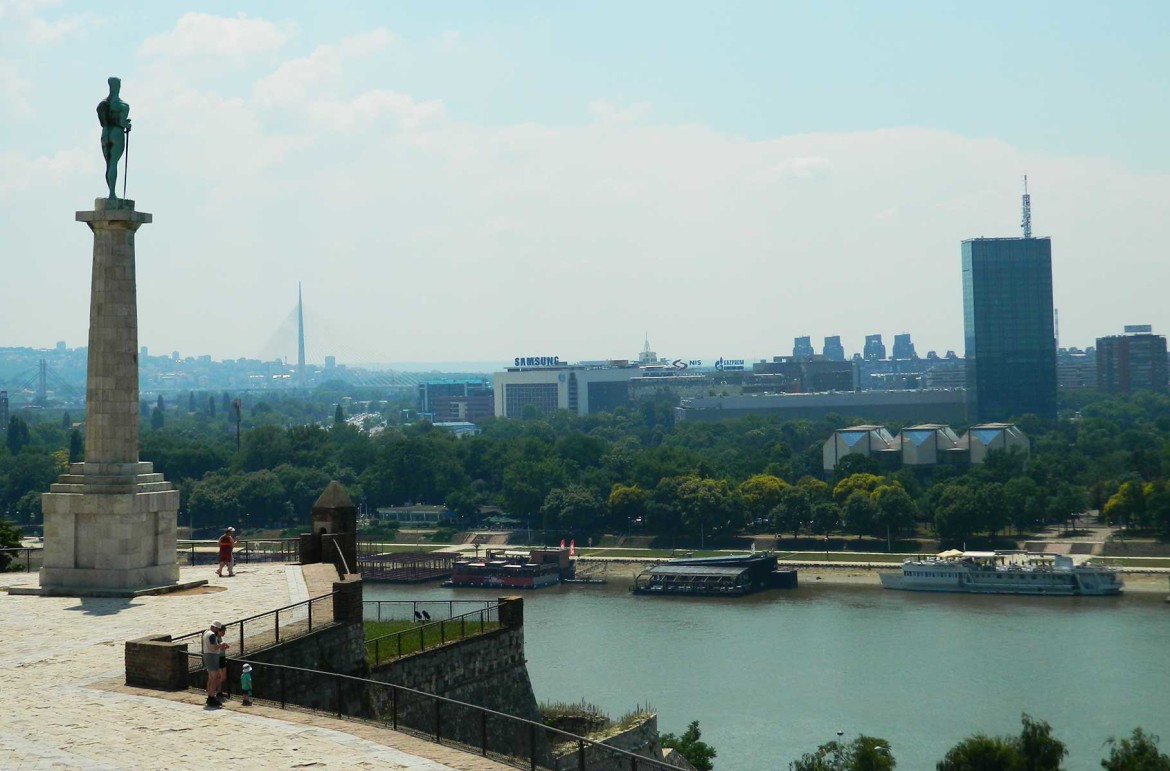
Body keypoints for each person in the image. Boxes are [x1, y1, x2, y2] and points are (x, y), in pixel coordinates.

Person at [96, 76, 131, 200]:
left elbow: (102, 121)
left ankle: (111, 192)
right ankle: (112, 194)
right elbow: (122, 122)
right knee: (114, 164)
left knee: (108, 164)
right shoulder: (123, 105)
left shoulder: (102, 104)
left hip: (105, 133)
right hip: (116, 133)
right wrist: (127, 125)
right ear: (119, 86)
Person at [202, 620, 229, 707]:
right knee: (214, 678)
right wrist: (221, 644)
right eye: (217, 629)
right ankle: (211, 697)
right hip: (212, 656)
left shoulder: (206, 633)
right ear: (215, 628)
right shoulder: (212, 635)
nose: (218, 630)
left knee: (211, 678)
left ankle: (210, 696)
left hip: (207, 655)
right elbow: (214, 648)